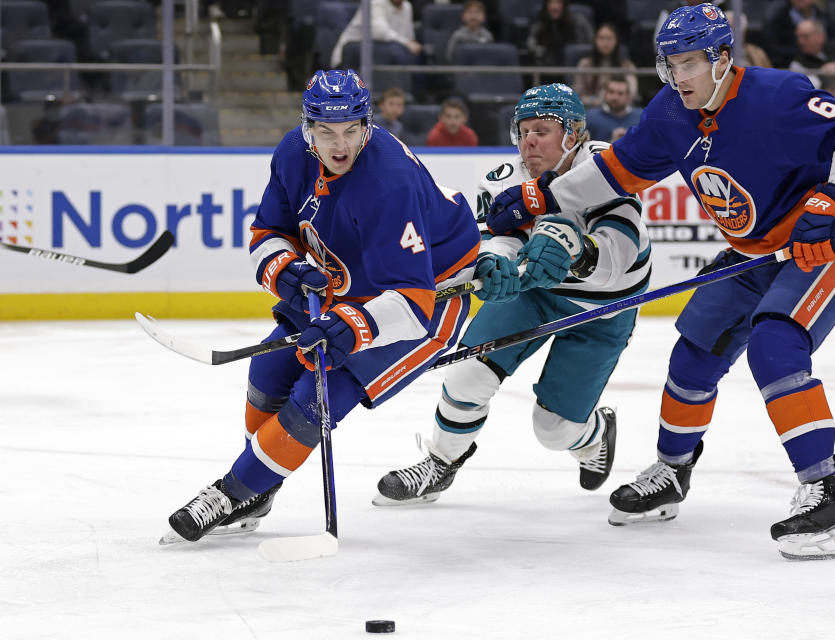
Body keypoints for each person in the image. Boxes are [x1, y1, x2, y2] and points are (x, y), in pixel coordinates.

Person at [484, 3, 835, 560]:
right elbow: (614, 173)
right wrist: (540, 196)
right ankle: (672, 474)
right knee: (693, 355)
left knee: (775, 345)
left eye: (689, 64)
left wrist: (833, 200)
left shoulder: (777, 95)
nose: (678, 78)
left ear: (723, 57)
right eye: (669, 65)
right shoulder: (671, 112)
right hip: (752, 253)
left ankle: (827, 496)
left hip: (824, 246)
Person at [163, 69, 481, 543]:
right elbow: (267, 234)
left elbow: (411, 301)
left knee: (317, 397)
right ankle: (259, 485)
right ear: (308, 126)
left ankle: (233, 492)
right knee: (269, 373)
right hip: (347, 280)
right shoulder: (293, 152)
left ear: (367, 126)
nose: (340, 145)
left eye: (352, 130)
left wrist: (349, 327)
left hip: (429, 294)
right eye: (327, 131)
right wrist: (285, 269)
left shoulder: (389, 182)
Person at [373, 83, 650, 505]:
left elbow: (619, 260)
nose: (528, 141)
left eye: (541, 130)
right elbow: (500, 238)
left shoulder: (607, 168)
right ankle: (440, 464)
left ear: (573, 134)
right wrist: (494, 262)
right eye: (523, 131)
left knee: (553, 430)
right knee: (467, 373)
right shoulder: (504, 178)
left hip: (603, 306)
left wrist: (575, 251)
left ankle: (593, 437)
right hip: (536, 292)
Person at [330, 0, 423, 69]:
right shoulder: (375, 2)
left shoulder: (407, 6)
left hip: (388, 53)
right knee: (394, 52)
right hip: (353, 52)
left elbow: (409, 38)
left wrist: (410, 44)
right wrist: (406, 43)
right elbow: (380, 32)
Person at [527, 0, 594, 84]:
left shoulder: (578, 24)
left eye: (558, 2)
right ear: (546, 6)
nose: (555, 7)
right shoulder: (538, 27)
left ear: (564, 5)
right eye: (551, 3)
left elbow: (587, 50)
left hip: (574, 74)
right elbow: (532, 48)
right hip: (546, 74)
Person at [573, 23, 638, 109]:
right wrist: (597, 101)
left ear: (616, 41)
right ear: (595, 40)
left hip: (617, 110)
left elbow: (632, 94)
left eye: (609, 39)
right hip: (589, 109)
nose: (605, 43)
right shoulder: (584, 64)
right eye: (601, 38)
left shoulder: (627, 66)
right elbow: (578, 94)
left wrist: (611, 99)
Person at [585, 76, 643, 143]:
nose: (615, 97)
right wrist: (611, 144)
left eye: (620, 93)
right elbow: (584, 148)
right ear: (605, 94)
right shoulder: (591, 117)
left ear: (628, 96)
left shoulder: (641, 116)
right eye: (611, 92)